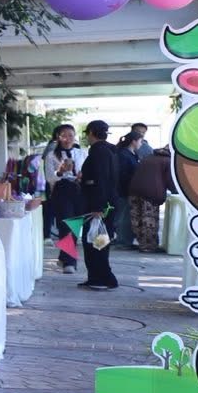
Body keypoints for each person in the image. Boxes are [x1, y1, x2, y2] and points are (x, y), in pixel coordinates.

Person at [78, 120, 123, 290]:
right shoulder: (109, 151)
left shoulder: (100, 152)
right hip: (106, 201)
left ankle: (103, 277)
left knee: (96, 241)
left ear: (90, 133)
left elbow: (101, 180)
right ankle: (96, 276)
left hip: (99, 204)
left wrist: (98, 206)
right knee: (97, 240)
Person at [42, 124, 86, 272]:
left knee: (75, 225)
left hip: (79, 190)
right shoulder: (51, 155)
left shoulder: (81, 153)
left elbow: (86, 171)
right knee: (66, 225)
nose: (68, 139)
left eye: (71, 135)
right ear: (58, 137)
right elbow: (49, 178)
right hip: (61, 190)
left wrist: (81, 176)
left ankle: (64, 257)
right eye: (64, 136)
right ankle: (69, 262)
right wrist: (60, 172)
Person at [128, 143, 172, 252]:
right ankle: (148, 246)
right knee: (149, 220)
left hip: (134, 189)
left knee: (136, 218)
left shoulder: (149, 157)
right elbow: (170, 180)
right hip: (151, 192)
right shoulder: (168, 161)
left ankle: (142, 243)